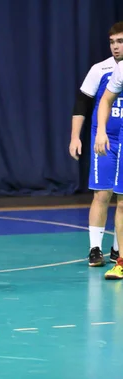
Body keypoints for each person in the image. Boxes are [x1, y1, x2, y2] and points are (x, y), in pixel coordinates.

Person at [69, 22, 123, 267]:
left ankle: (117, 250)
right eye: (112, 42)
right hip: (105, 140)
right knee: (102, 193)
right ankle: (94, 248)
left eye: (120, 41)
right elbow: (83, 103)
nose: (115, 47)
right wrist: (75, 137)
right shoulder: (101, 69)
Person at [94, 27, 123, 280]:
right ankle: (121, 261)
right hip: (121, 140)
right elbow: (104, 100)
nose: (116, 46)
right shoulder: (120, 69)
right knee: (122, 201)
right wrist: (101, 131)